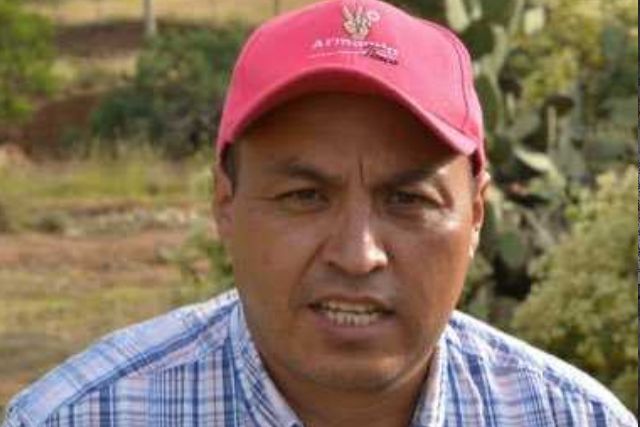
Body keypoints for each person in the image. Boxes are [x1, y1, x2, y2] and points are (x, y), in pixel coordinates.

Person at [2, 1, 636, 426]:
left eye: (409, 200)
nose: (357, 256)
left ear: (475, 216)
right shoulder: (79, 417)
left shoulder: (571, 417)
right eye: (304, 197)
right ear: (225, 204)